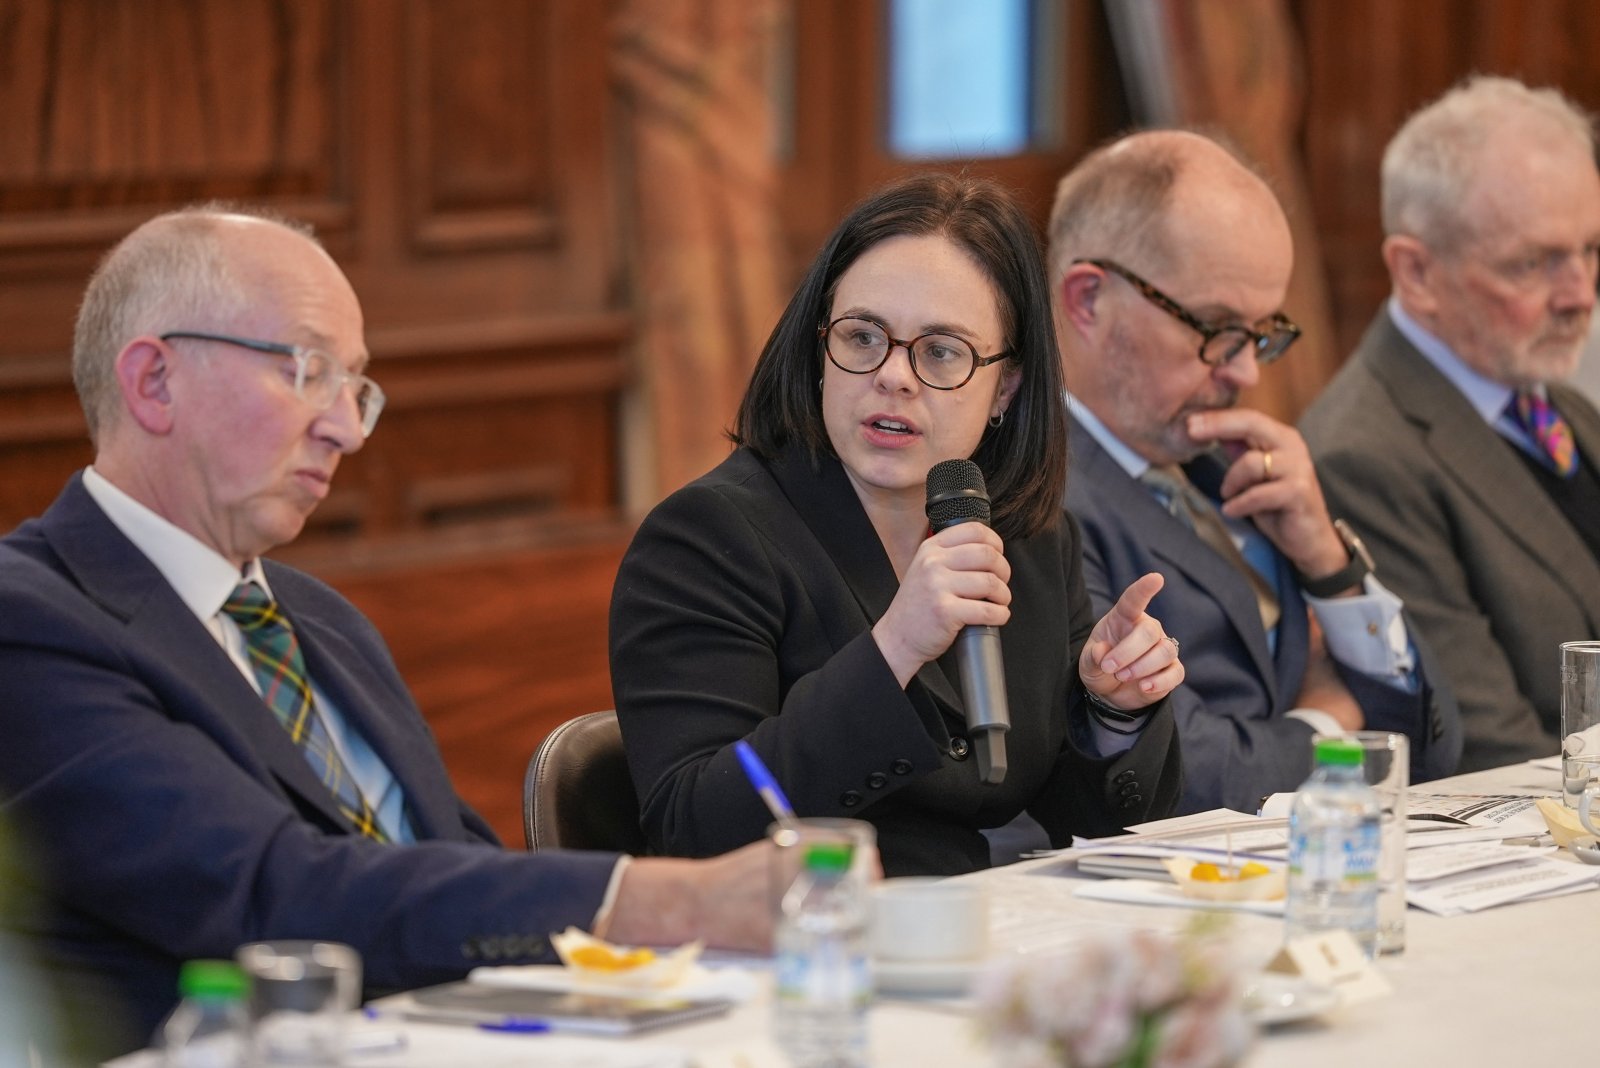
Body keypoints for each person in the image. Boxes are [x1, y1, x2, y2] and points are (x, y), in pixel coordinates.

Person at [0, 205, 776, 1058]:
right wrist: (662, 898)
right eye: (307, 370)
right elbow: (267, 894)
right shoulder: (31, 618)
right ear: (154, 381)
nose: (345, 427)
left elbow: (456, 865)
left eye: (356, 386)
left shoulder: (323, 621)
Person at [611, 173, 1185, 878]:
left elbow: (1089, 826)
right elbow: (695, 828)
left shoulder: (1027, 540)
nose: (894, 377)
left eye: (941, 352)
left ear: (1006, 388)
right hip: (799, 948)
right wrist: (895, 649)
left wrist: (1110, 709)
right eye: (862, 337)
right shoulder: (707, 540)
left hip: (971, 936)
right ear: (819, 349)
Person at [1047, 131, 1459, 814]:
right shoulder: (1033, 494)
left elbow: (1432, 747)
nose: (1244, 371)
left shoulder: (1227, 469)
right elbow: (1187, 778)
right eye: (1216, 330)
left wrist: (1327, 563)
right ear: (1089, 300)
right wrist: (1328, 720)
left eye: (1262, 334)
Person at [1302, 76, 1600, 772]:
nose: (1581, 294)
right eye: (1534, 263)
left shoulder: (1551, 403)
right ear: (1417, 273)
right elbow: (1489, 748)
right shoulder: (1364, 455)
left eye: (1591, 249)